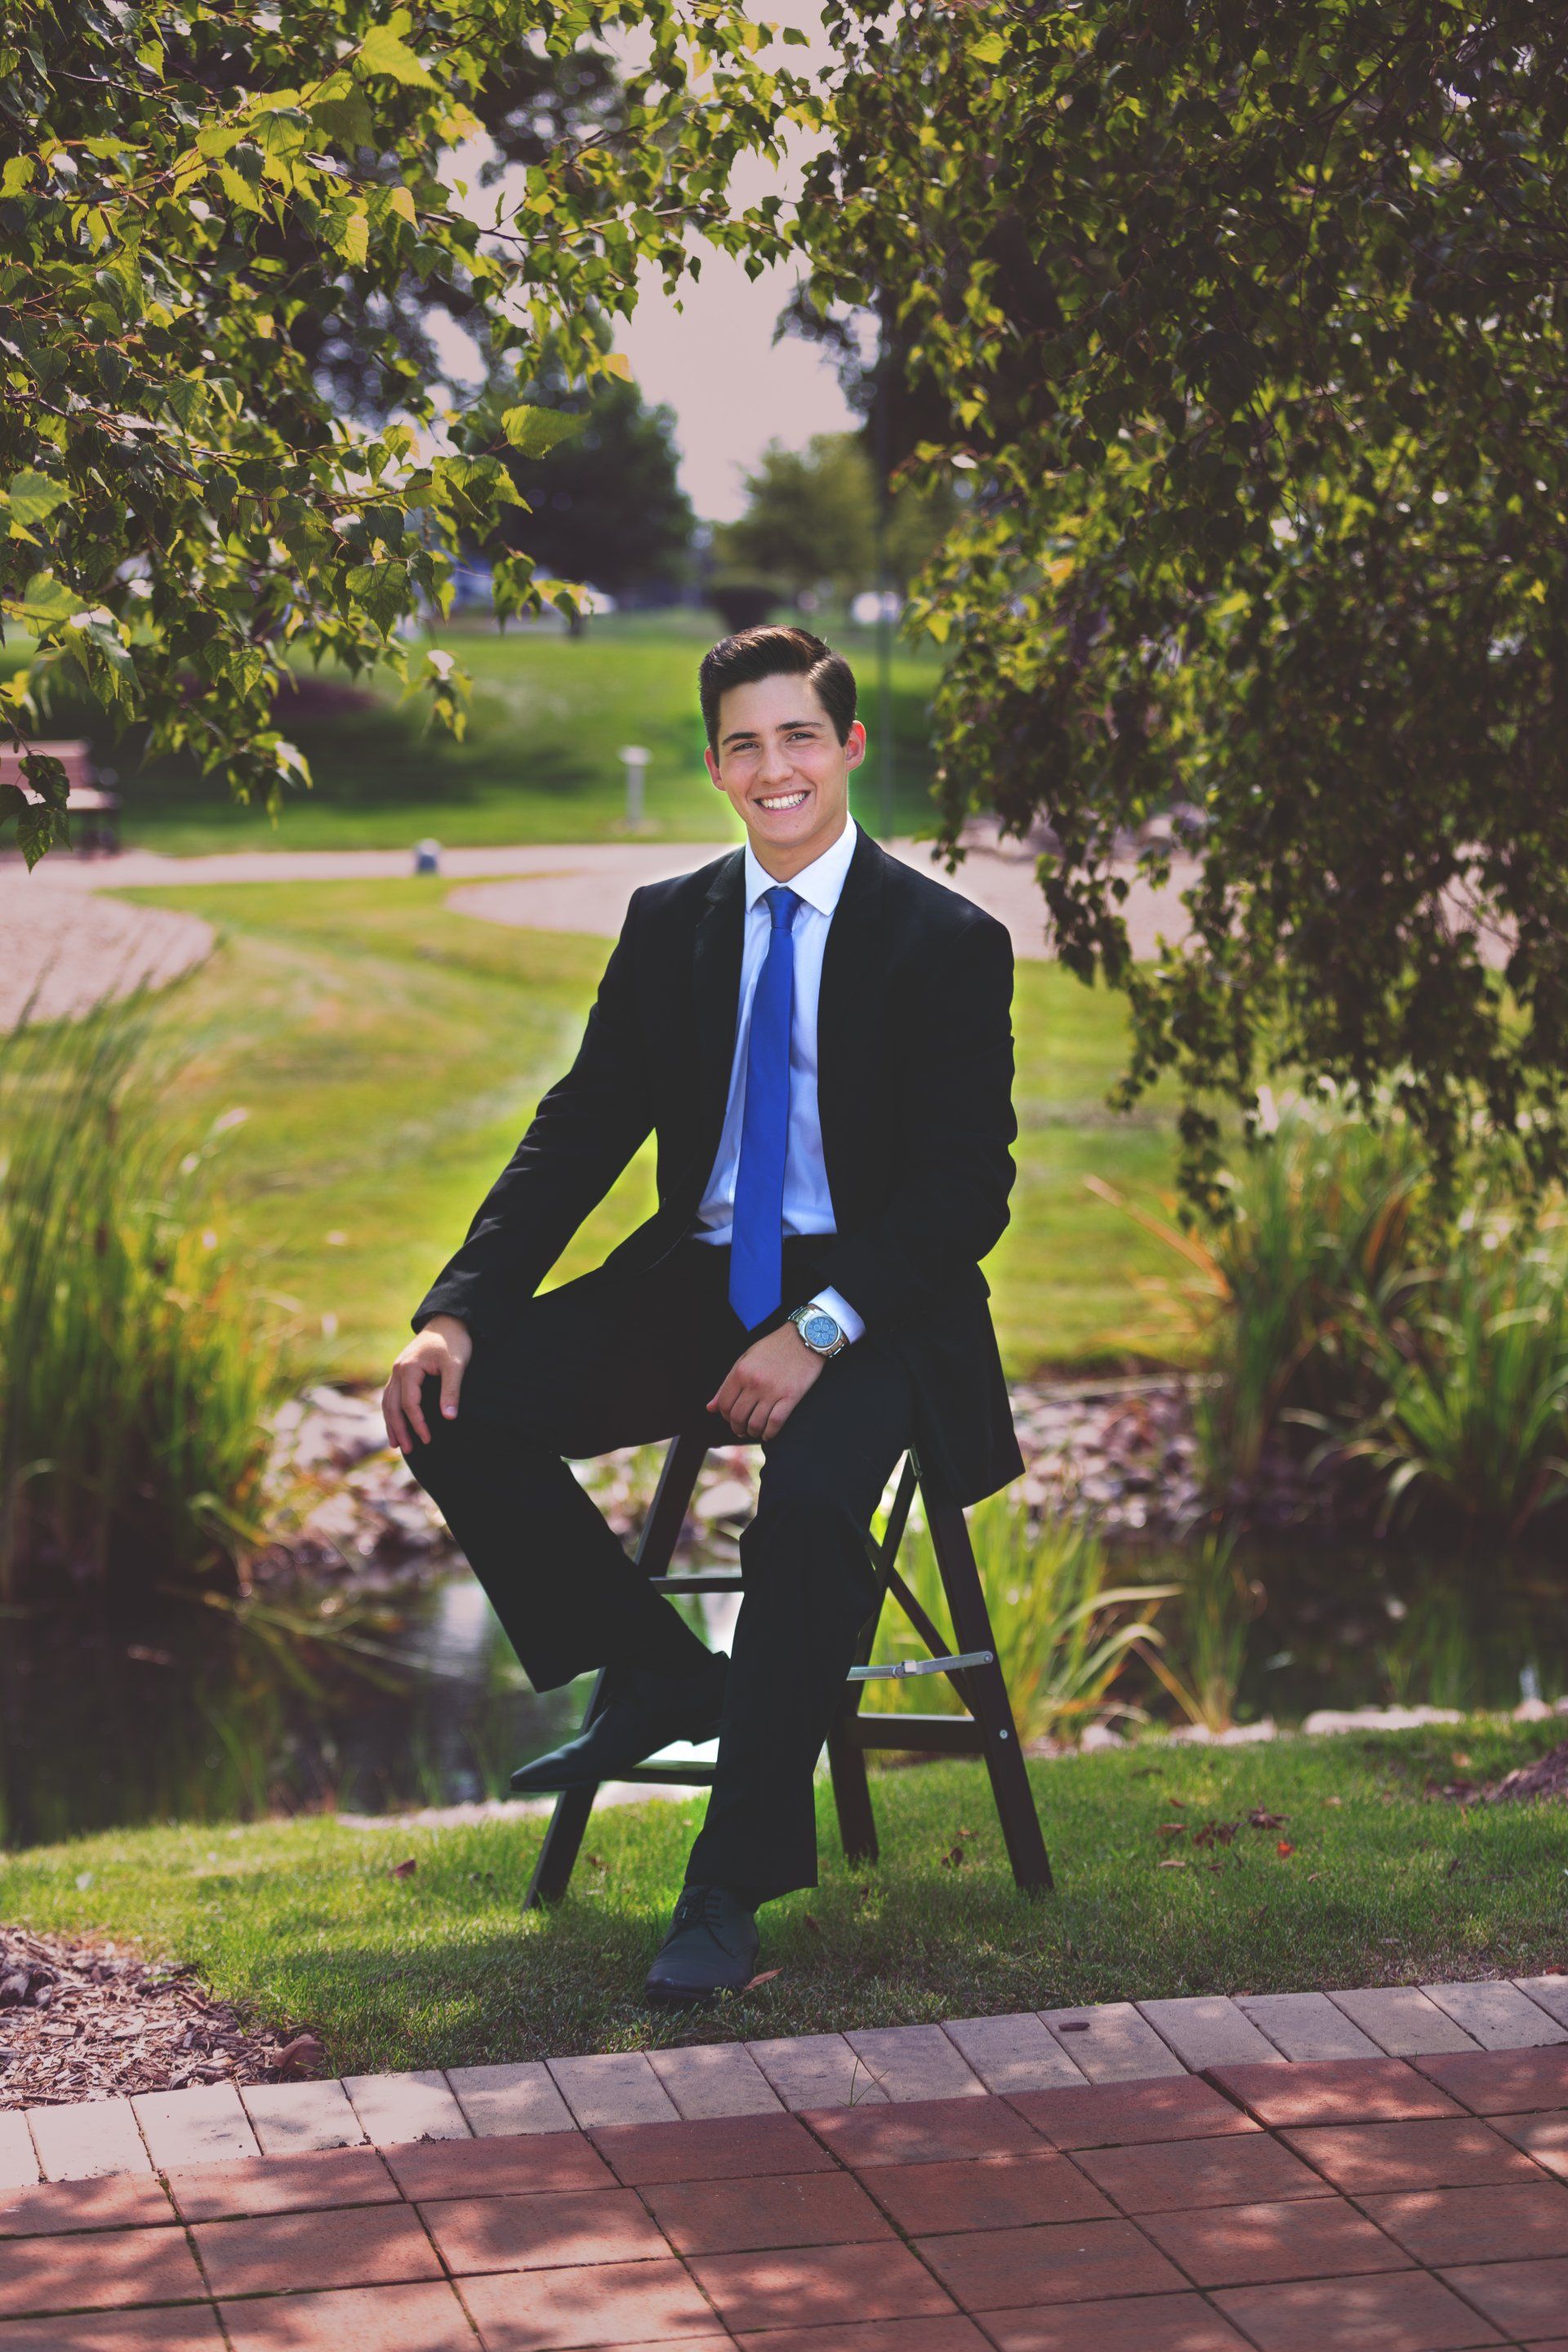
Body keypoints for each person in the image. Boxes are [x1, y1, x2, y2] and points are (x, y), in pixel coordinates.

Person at [382, 624, 1023, 2005]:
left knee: (802, 1516)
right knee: (450, 1407)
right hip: (701, 1285)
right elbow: (580, 1128)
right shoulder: (673, 923)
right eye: (745, 743)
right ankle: (663, 1678)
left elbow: (969, 1191)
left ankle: (726, 1886)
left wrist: (824, 1329)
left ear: (849, 748)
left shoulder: (944, 942)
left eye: (800, 736)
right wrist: (459, 1310)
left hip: (878, 1311)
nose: (773, 766)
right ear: (716, 766)